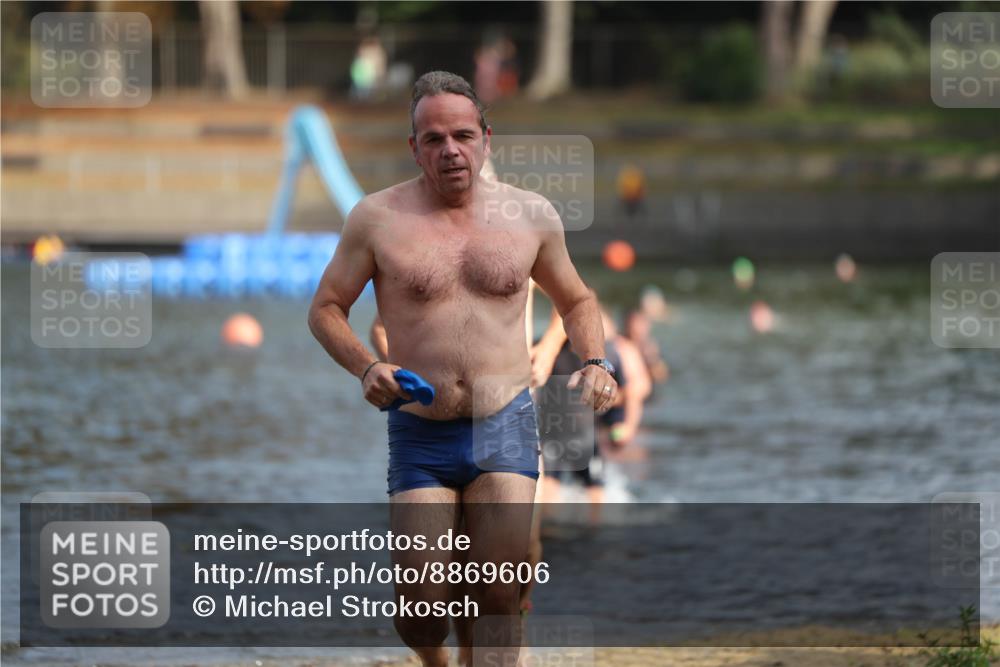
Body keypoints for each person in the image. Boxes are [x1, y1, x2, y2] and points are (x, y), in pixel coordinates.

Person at [308, 70, 617, 667]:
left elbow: (577, 300)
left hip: (505, 423)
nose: (450, 149)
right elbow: (325, 310)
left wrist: (596, 361)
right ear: (414, 147)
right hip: (421, 433)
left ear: (486, 138)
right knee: (420, 609)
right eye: (434, 139)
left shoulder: (530, 215)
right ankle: (435, 660)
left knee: (500, 592)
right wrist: (368, 367)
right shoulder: (376, 220)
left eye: (463, 135)